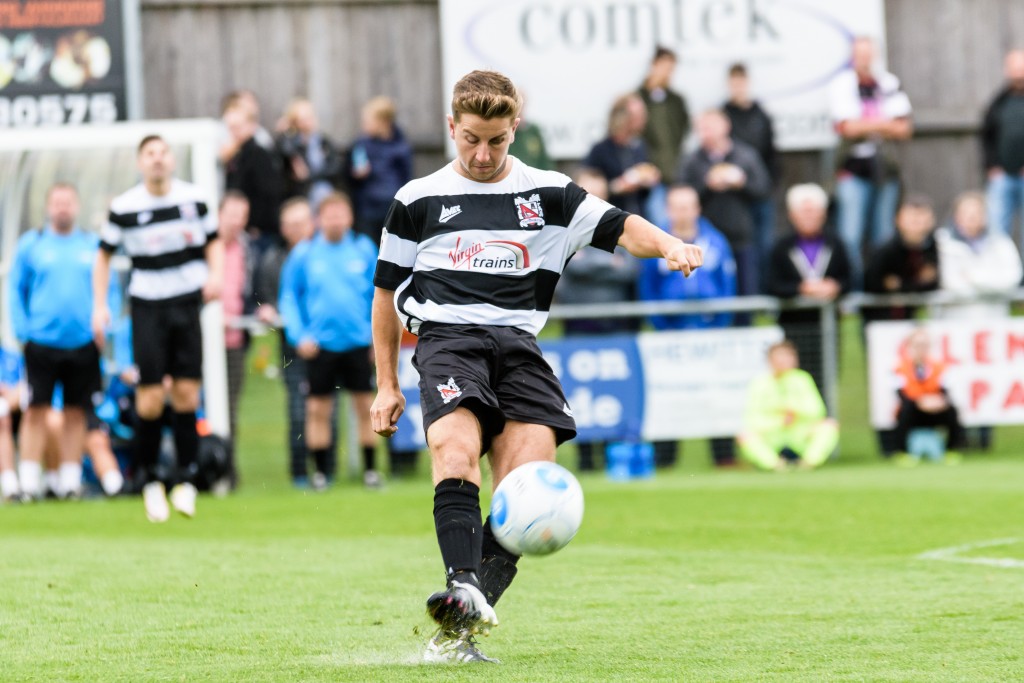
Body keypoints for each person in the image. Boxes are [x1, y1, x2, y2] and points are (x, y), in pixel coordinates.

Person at [370, 70, 702, 663]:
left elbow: (623, 226)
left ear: (514, 129)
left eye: (496, 140)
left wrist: (671, 245)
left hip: (519, 348)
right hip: (447, 340)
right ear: (451, 127)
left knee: (526, 493)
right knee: (453, 451)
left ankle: (459, 626)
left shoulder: (549, 194)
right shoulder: (416, 200)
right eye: (470, 138)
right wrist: (386, 385)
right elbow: (383, 294)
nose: (481, 152)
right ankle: (464, 585)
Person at [93, 134, 223, 523]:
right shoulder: (124, 207)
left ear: (171, 160)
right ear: (140, 163)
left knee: (186, 393)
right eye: (149, 154)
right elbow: (102, 258)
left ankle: (185, 479)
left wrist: (217, 275)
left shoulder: (194, 199)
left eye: (163, 153)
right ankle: (149, 479)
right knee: (149, 397)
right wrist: (99, 305)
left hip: (187, 303)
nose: (157, 160)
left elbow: (213, 243)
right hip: (147, 306)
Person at [278, 192, 380, 489]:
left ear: (349, 217)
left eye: (340, 214)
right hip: (320, 346)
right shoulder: (305, 253)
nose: (335, 220)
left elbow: (379, 297)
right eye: (329, 215)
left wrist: (377, 339)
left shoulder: (363, 249)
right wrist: (299, 335)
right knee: (317, 409)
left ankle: (371, 471)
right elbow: (288, 297)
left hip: (358, 343)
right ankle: (320, 473)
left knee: (366, 406)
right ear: (319, 220)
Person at [8, 183, 102, 500]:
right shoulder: (31, 244)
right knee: (36, 410)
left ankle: (69, 481)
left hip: (83, 343)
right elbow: (15, 289)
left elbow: (109, 290)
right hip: (41, 343)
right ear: (49, 207)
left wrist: (104, 324)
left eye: (68, 202)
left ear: (76, 206)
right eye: (57, 202)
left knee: (76, 413)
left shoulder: (92, 245)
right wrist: (23, 331)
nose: (63, 208)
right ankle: (30, 482)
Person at [637, 185, 737, 468]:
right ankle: (665, 461)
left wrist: (720, 325)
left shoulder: (716, 243)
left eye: (687, 206)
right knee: (668, 397)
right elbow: (647, 289)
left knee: (716, 396)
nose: (682, 212)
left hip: (710, 335)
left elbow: (728, 286)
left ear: (697, 209)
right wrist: (661, 326)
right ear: (668, 210)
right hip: (669, 337)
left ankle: (724, 457)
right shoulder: (655, 243)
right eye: (676, 207)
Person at [553, 169, 639, 472]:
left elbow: (629, 270)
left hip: (614, 328)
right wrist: (607, 265)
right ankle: (587, 461)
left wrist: (588, 265)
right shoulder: (563, 230)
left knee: (615, 397)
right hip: (577, 331)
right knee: (579, 399)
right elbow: (566, 274)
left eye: (600, 193)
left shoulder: (622, 226)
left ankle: (613, 460)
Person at [253, 198, 333, 488]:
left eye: (302, 222)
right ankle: (300, 473)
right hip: (292, 347)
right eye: (291, 224)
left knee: (327, 410)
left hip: (327, 346)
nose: (297, 229)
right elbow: (264, 296)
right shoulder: (273, 260)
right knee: (299, 410)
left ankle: (328, 471)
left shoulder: (325, 253)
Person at [935, 191, 1023, 450]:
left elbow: (1011, 279)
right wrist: (987, 281)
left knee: (988, 381)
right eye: (967, 213)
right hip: (956, 325)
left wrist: (973, 278)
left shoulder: (1000, 242)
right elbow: (950, 282)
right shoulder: (943, 242)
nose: (972, 219)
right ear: (956, 215)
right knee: (959, 381)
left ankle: (985, 438)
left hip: (992, 325)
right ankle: (960, 436)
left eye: (977, 213)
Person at [829, 36, 914, 288]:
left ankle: (879, 292)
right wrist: (885, 123)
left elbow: (904, 128)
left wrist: (866, 125)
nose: (864, 60)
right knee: (851, 236)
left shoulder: (888, 82)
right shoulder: (842, 84)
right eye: (860, 54)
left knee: (884, 236)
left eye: (868, 54)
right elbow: (846, 127)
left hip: (885, 169)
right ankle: (855, 295)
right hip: (853, 170)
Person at [765, 183, 852, 394]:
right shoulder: (781, 246)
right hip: (794, 326)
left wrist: (835, 286)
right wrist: (800, 289)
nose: (809, 216)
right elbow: (770, 283)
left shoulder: (836, 243)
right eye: (804, 211)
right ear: (792, 215)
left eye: (813, 211)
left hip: (827, 324)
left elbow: (850, 278)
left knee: (826, 379)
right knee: (793, 380)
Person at [677, 109, 771, 299]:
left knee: (745, 293)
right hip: (705, 242)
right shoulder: (692, 160)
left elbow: (764, 190)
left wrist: (741, 183)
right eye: (701, 129)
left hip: (741, 238)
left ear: (725, 126)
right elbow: (680, 195)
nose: (705, 133)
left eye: (709, 127)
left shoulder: (745, 156)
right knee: (712, 293)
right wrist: (707, 184)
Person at [737, 340, 838, 471]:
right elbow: (752, 418)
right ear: (770, 360)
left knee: (829, 425)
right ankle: (774, 464)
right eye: (779, 357)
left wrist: (794, 412)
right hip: (772, 436)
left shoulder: (803, 379)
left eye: (788, 356)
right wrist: (780, 421)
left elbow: (817, 411)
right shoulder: (759, 383)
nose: (783, 361)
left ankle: (809, 462)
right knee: (746, 434)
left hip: (799, 435)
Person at [723, 63, 778, 274]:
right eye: (734, 83)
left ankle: (763, 295)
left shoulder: (761, 115)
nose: (738, 88)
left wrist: (770, 184)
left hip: (761, 190)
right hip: (735, 196)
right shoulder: (724, 114)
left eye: (741, 83)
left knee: (764, 246)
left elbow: (772, 153)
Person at [218, 191, 255, 481]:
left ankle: (226, 469)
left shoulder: (246, 250)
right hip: (201, 341)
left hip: (233, 343)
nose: (236, 222)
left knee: (229, 407)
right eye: (231, 214)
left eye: (242, 216)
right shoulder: (204, 246)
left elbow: (251, 291)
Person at [863, 194, 941, 324]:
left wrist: (900, 285)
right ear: (898, 220)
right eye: (911, 217)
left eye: (921, 216)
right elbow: (874, 282)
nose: (916, 222)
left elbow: (931, 282)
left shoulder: (936, 249)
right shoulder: (886, 251)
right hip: (884, 320)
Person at [891, 328, 965, 462]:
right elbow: (900, 394)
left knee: (952, 411)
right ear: (910, 347)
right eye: (917, 345)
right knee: (904, 411)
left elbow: (945, 392)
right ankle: (903, 452)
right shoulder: (900, 368)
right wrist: (920, 402)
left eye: (924, 345)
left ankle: (951, 450)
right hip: (913, 410)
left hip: (934, 410)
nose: (921, 349)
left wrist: (937, 402)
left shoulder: (939, 367)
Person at [347, 96, 414, 244]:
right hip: (368, 210)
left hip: (392, 209)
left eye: (367, 121)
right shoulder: (361, 144)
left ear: (383, 122)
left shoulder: (401, 146)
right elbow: (350, 176)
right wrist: (356, 174)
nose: (363, 125)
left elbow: (407, 178)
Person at [582, 93, 660, 217]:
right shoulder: (600, 150)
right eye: (637, 116)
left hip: (639, 216)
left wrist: (647, 180)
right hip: (610, 218)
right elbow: (586, 190)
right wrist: (617, 187)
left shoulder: (639, 146)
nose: (643, 119)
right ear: (622, 118)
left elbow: (645, 191)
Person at [636, 45, 689, 227]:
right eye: (665, 67)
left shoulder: (677, 101)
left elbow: (682, 130)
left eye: (671, 69)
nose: (668, 73)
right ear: (654, 65)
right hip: (650, 177)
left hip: (673, 174)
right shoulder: (638, 98)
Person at [224, 102, 284, 248]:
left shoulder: (258, 155)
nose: (234, 132)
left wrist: (255, 225)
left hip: (258, 232)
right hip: (243, 229)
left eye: (238, 127)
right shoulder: (237, 156)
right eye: (231, 128)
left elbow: (269, 193)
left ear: (252, 126)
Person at [981, 49, 1024, 243]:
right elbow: (986, 136)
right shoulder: (998, 102)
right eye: (1014, 68)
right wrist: (992, 166)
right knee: (997, 230)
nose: (1018, 74)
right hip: (1001, 176)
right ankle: (1002, 272)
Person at [278, 97, 344, 211]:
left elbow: (335, 167)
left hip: (325, 192)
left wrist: (310, 176)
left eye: (309, 117)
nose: (307, 122)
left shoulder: (323, 141)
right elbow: (285, 155)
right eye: (302, 119)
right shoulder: (291, 142)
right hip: (300, 196)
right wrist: (286, 132)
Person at [506, 95, 553, 171]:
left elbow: (544, 160)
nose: (519, 108)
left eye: (521, 103)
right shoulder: (504, 132)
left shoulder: (533, 130)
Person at [0, 347, 23, 502]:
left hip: (16, 413)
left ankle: (53, 485)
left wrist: (5, 403)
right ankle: (9, 484)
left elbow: (28, 385)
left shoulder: (14, 357)